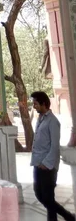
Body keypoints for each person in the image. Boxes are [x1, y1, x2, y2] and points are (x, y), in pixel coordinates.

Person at [30, 91, 75, 221]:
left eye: (36, 103)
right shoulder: (41, 118)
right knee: (39, 194)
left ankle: (68, 217)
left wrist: (47, 163)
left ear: (44, 103)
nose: (34, 106)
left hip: (48, 166)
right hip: (38, 163)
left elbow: (55, 146)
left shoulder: (53, 121)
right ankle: (69, 217)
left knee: (48, 198)